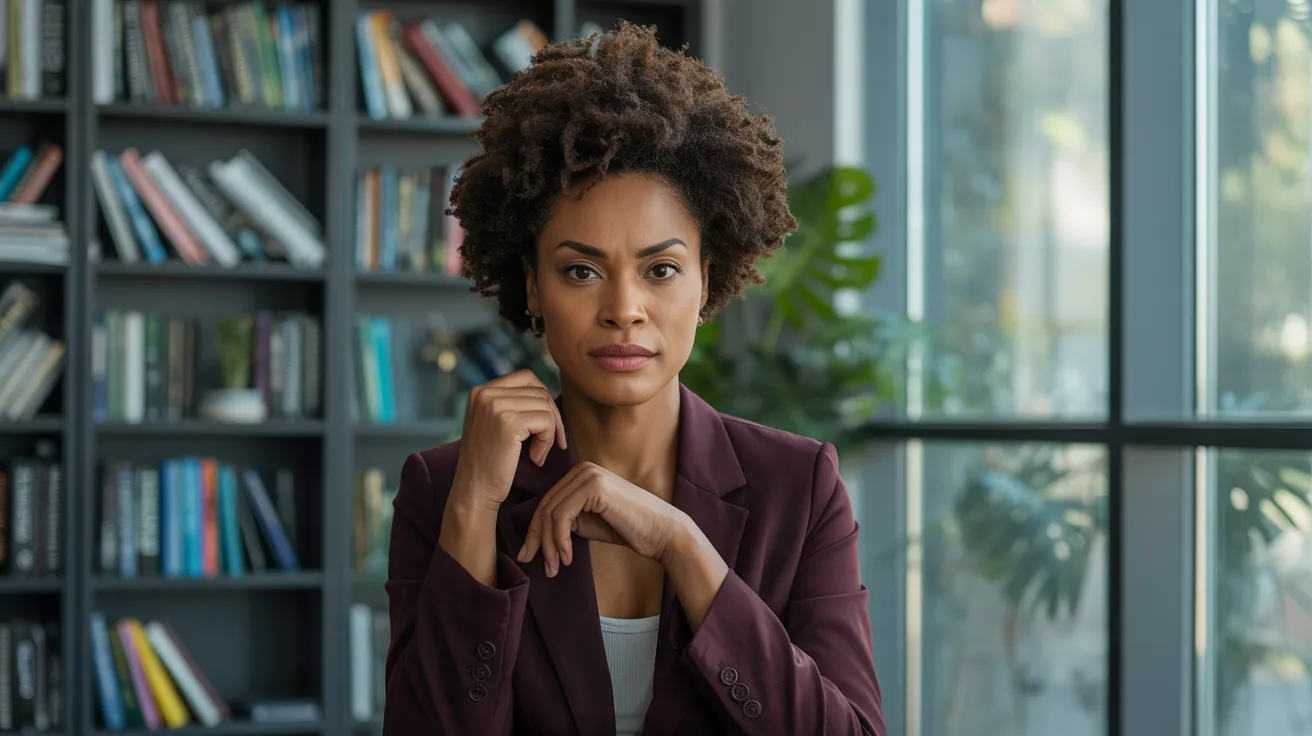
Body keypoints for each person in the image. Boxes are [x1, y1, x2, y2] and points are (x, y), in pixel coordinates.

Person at [382, 21, 886, 736]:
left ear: (707, 280)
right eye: (581, 271)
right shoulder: (445, 491)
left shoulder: (798, 488)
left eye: (661, 270)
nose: (624, 310)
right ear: (531, 286)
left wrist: (685, 549)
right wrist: (473, 512)